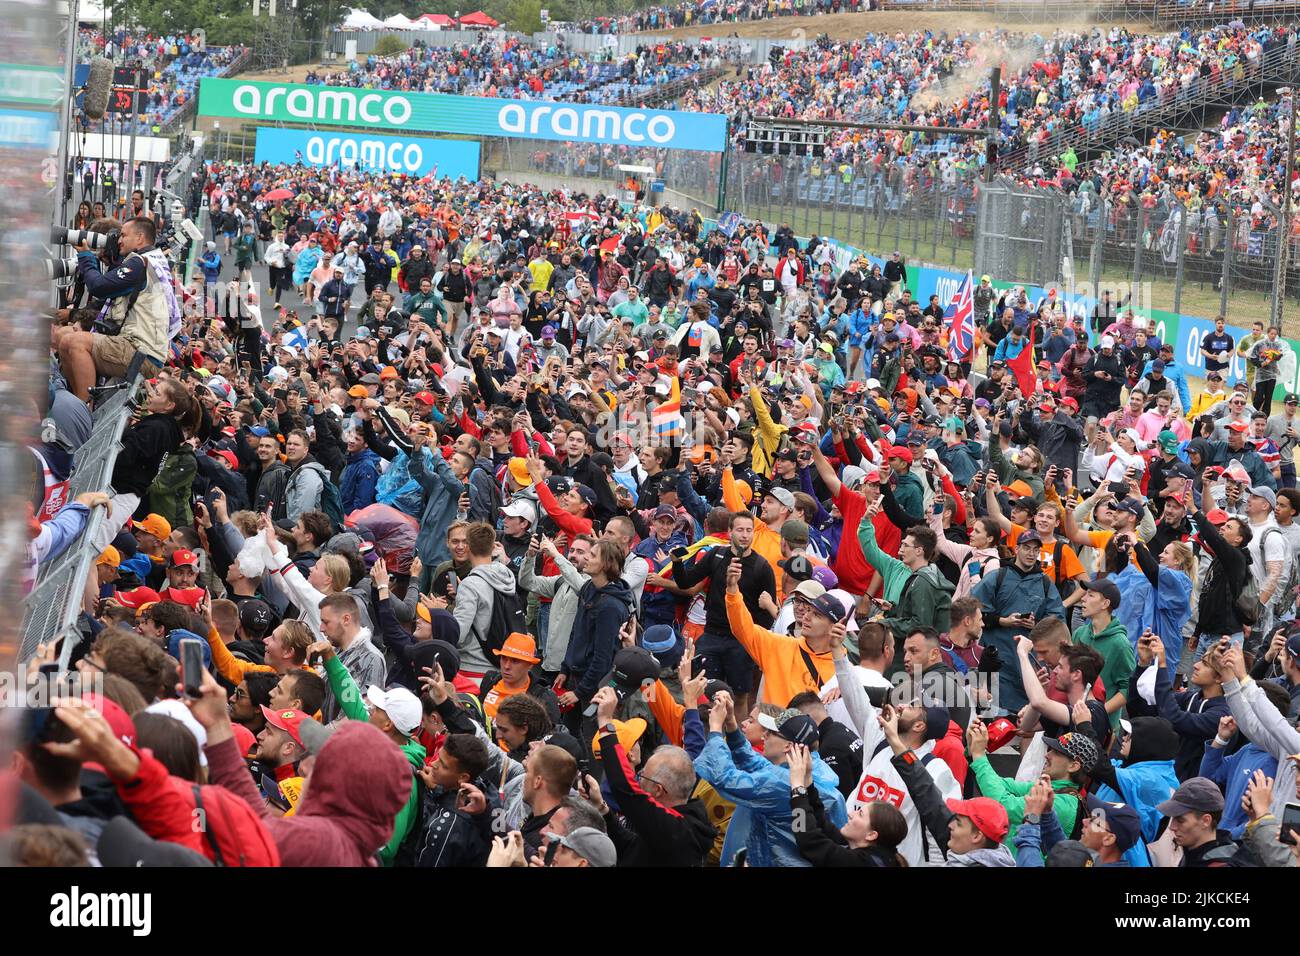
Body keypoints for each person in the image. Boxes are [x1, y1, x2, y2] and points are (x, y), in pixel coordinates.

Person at [693, 690, 846, 867]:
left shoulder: (781, 783)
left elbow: (725, 778)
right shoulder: (809, 770)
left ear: (788, 746)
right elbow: (755, 763)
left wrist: (715, 729)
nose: (764, 735)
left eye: (771, 733)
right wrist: (731, 724)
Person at [788, 743, 908, 867]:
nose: (850, 814)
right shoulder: (874, 850)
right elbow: (821, 824)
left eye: (860, 814)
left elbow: (808, 840)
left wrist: (797, 789)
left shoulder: (860, 863)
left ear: (871, 835)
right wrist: (808, 781)